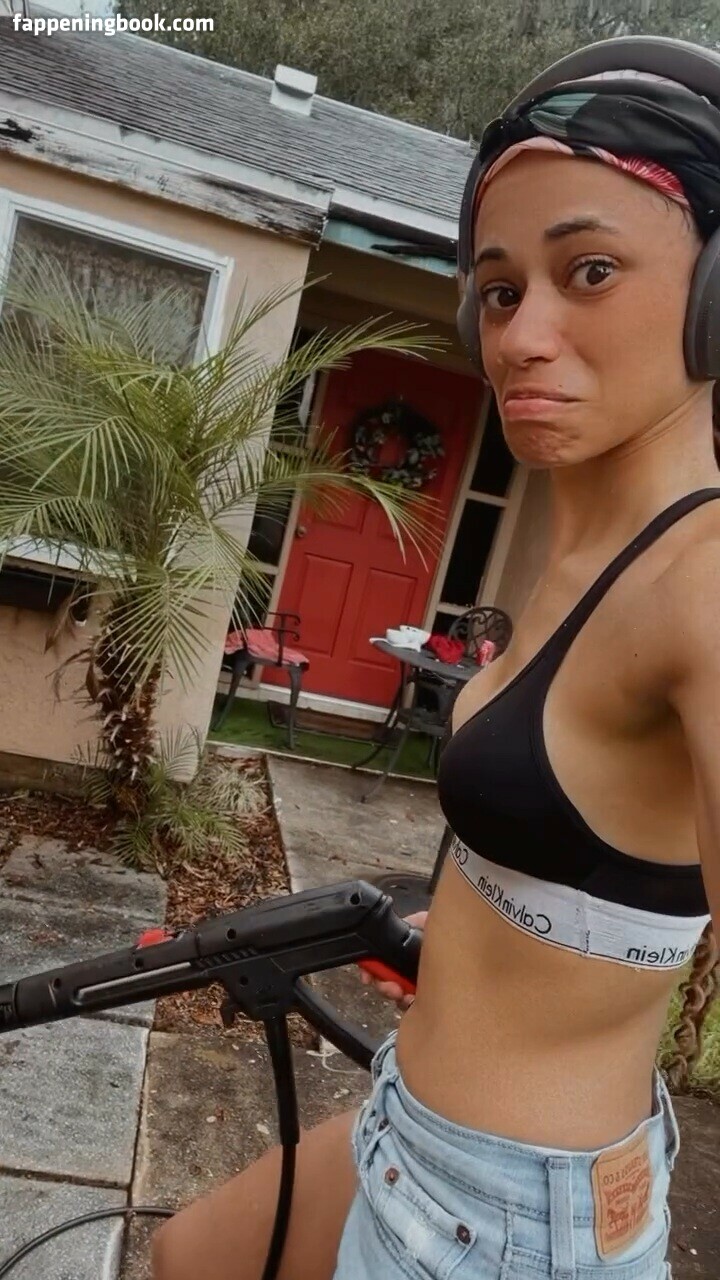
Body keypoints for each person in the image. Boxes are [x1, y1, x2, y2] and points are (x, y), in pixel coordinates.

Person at [152, 37, 720, 1280]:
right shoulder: (584, 550)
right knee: (191, 1253)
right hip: (417, 1116)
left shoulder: (705, 581)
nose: (522, 335)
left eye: (590, 271)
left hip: (509, 1220)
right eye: (501, 291)